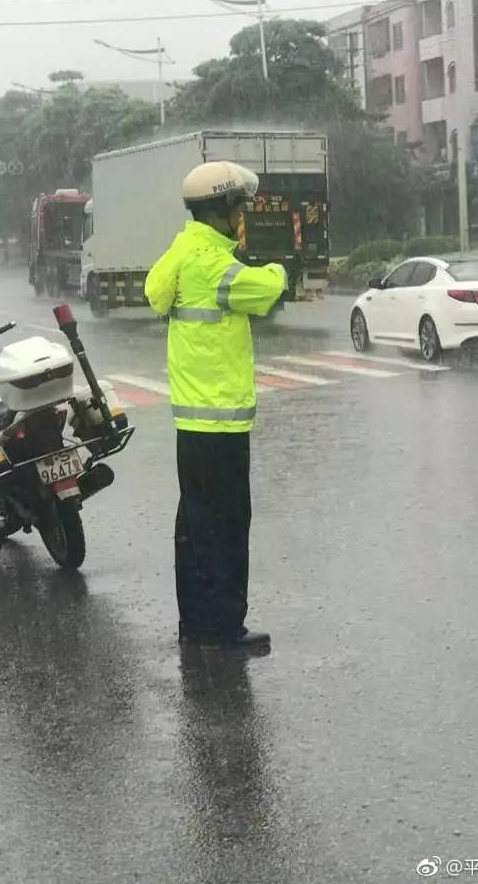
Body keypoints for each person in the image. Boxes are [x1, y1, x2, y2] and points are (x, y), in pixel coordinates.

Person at [145, 161, 287, 651]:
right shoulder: (211, 262)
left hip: (192, 422)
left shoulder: (181, 252)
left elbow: (154, 292)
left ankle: (195, 623)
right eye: (239, 207)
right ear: (222, 209)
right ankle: (225, 627)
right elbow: (264, 289)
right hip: (221, 421)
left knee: (196, 527)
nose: (243, 215)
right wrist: (279, 267)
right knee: (227, 525)